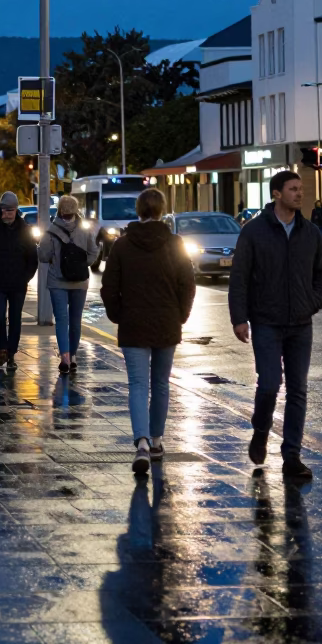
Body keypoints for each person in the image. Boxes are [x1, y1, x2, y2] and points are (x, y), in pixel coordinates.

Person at [229, 169, 322, 482]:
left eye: (300, 189)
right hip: (267, 322)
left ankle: (291, 457)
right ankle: (261, 430)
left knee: (298, 389)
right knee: (271, 383)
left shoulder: (310, 232)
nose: (299, 194)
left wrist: (312, 303)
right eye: (293, 189)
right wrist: (239, 318)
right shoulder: (255, 231)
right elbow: (240, 277)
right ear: (276, 193)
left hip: (301, 323)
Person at [100, 187, 195, 476]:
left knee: (138, 385)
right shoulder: (175, 243)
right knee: (161, 384)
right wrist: (180, 315)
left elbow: (109, 287)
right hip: (166, 323)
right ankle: (156, 441)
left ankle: (140, 441)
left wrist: (118, 315)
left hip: (133, 323)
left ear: (138, 210)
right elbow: (187, 285)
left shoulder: (123, 246)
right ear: (162, 210)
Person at [0, 191, 39, 370]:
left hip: (18, 284)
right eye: (4, 210)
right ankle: (1, 349)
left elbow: (32, 258)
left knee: (15, 318)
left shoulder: (25, 230)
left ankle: (11, 353)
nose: (6, 214)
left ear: (16, 211)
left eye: (10, 210)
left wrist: (25, 277)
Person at [38, 193, 98, 375]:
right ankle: (72, 357)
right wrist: (81, 265)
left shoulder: (51, 231)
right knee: (75, 320)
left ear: (59, 210)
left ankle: (64, 356)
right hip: (80, 282)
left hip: (57, 281)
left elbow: (43, 256)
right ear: (76, 210)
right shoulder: (85, 230)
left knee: (62, 320)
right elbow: (94, 252)